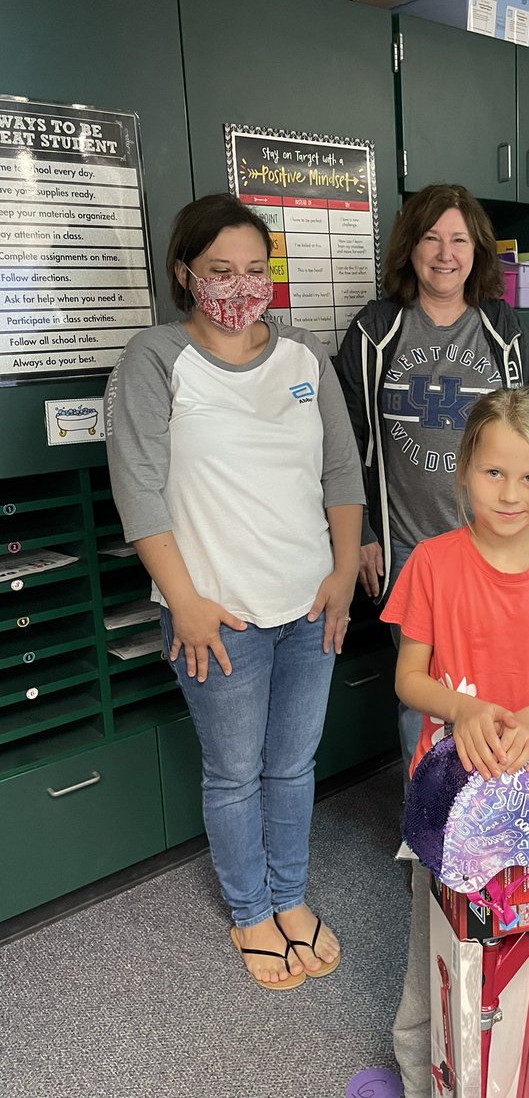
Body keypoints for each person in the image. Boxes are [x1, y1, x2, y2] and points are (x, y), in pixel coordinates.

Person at [104, 193, 364, 991]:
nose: (240, 286)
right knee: (234, 773)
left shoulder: (303, 357)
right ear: (186, 273)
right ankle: (250, 910)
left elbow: (341, 471)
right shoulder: (155, 359)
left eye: (256, 270)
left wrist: (344, 575)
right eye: (221, 270)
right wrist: (181, 599)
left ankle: (289, 897)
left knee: (292, 766)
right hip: (217, 615)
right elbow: (139, 490)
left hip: (309, 603)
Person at [381, 388, 529, 1096]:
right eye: (495, 473)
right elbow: (409, 677)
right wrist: (464, 710)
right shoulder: (432, 562)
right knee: (436, 948)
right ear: (463, 470)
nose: (513, 493)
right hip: (454, 804)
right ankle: (426, 1076)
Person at [335, 183, 529, 781]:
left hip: (492, 546)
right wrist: (365, 533)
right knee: (423, 702)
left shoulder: (501, 327)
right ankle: (429, 834)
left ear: (477, 250)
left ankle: (495, 820)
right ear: (410, 248)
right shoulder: (377, 328)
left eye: (458, 239)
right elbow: (344, 439)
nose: (445, 252)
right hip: (409, 552)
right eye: (431, 237)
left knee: (500, 688)